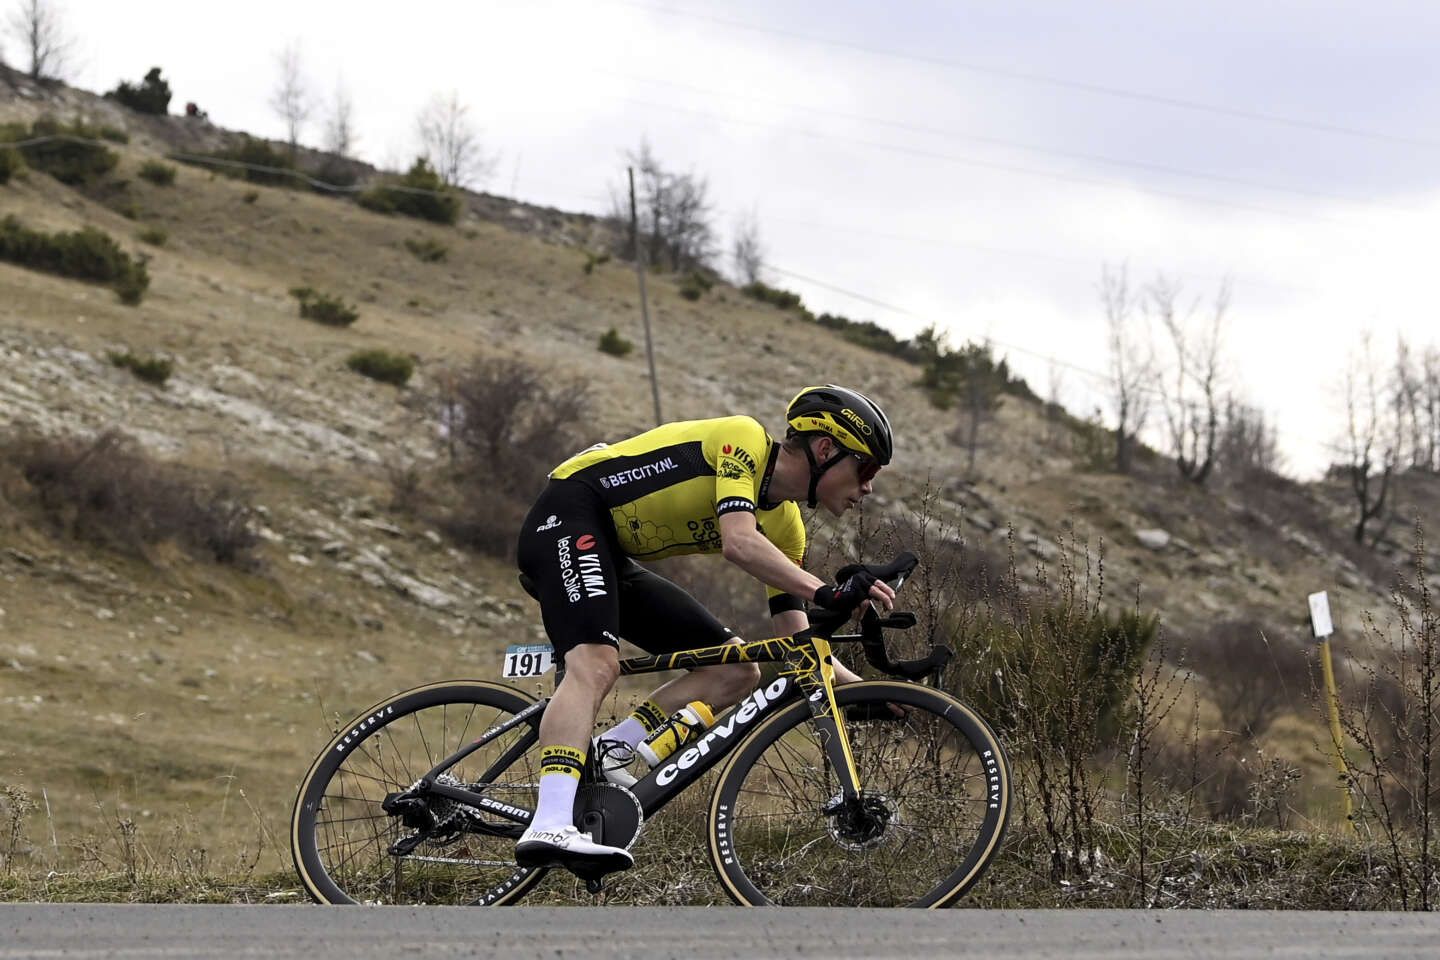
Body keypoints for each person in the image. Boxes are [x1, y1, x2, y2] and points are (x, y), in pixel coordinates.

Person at [513, 384, 897, 873]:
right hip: (569, 513)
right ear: (825, 449)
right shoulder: (743, 441)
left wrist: (869, 693)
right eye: (866, 469)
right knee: (594, 664)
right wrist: (827, 591)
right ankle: (548, 824)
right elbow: (738, 542)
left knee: (736, 671)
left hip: (611, 556)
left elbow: (800, 643)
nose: (868, 487)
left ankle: (612, 749)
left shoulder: (786, 524)